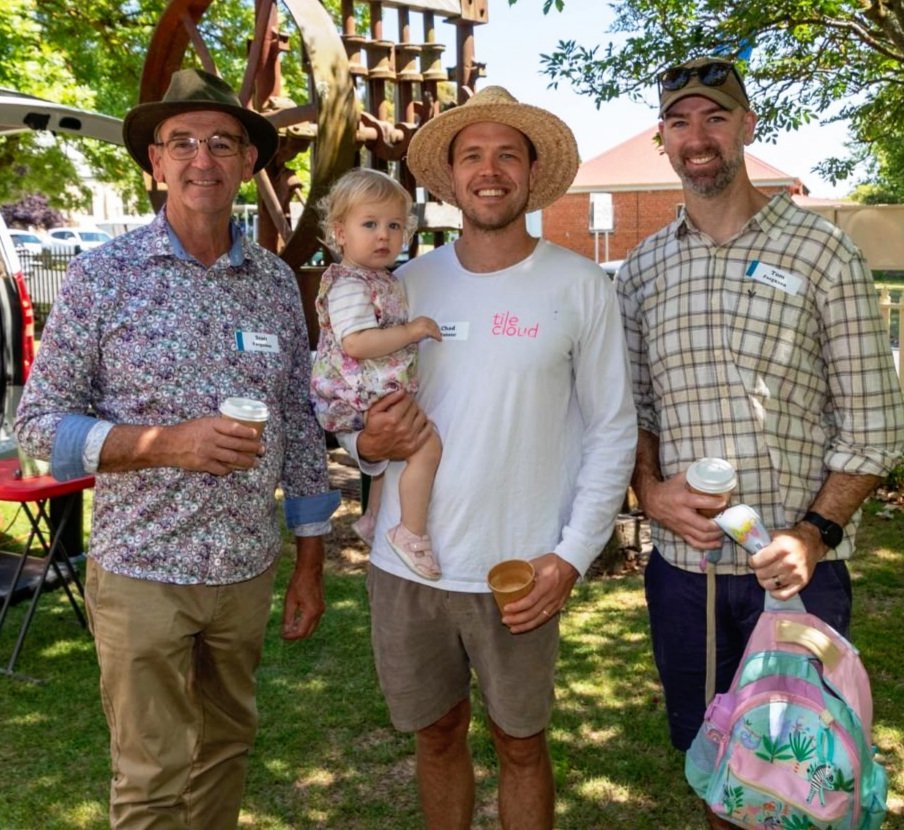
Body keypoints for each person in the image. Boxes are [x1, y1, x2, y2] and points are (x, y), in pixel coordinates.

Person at [15, 68, 340, 830]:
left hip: (244, 570)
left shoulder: (271, 283)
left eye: (223, 142)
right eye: (183, 142)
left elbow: (295, 418)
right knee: (152, 776)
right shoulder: (102, 276)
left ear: (249, 163)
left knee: (227, 748)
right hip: (140, 573)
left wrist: (312, 561)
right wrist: (165, 445)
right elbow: (39, 426)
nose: (205, 159)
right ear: (155, 162)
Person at [616, 56, 904, 829]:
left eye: (714, 117)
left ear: (747, 126)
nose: (697, 137)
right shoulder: (642, 268)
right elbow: (633, 409)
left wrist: (812, 534)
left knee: (802, 777)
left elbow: (875, 424)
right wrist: (648, 491)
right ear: (664, 141)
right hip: (684, 574)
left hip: (798, 576)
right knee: (720, 772)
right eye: (679, 122)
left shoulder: (822, 253)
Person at [340, 86, 637, 829]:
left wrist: (569, 557)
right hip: (410, 567)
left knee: (522, 745)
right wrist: (363, 447)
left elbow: (612, 429)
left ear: (532, 174)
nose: (491, 169)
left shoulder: (580, 285)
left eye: (509, 153)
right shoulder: (402, 285)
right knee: (437, 738)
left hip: (521, 569)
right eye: (473, 154)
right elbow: (356, 407)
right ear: (451, 176)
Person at [310, 168, 443, 579]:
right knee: (426, 447)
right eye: (369, 224)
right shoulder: (350, 284)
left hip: (366, 391)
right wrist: (413, 330)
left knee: (389, 454)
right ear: (340, 232)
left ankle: (371, 517)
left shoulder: (378, 279)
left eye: (394, 225)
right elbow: (357, 343)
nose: (383, 235)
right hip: (354, 393)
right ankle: (410, 531)